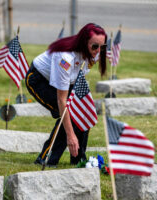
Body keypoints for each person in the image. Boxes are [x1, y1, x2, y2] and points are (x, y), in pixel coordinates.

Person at [25, 23, 107, 166]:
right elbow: (61, 100)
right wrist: (71, 136)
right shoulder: (64, 58)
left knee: (82, 111)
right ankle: (46, 159)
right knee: (69, 116)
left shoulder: (95, 51)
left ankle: (78, 160)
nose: (99, 51)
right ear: (84, 43)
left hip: (68, 81)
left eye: (103, 46)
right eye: (95, 46)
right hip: (39, 80)